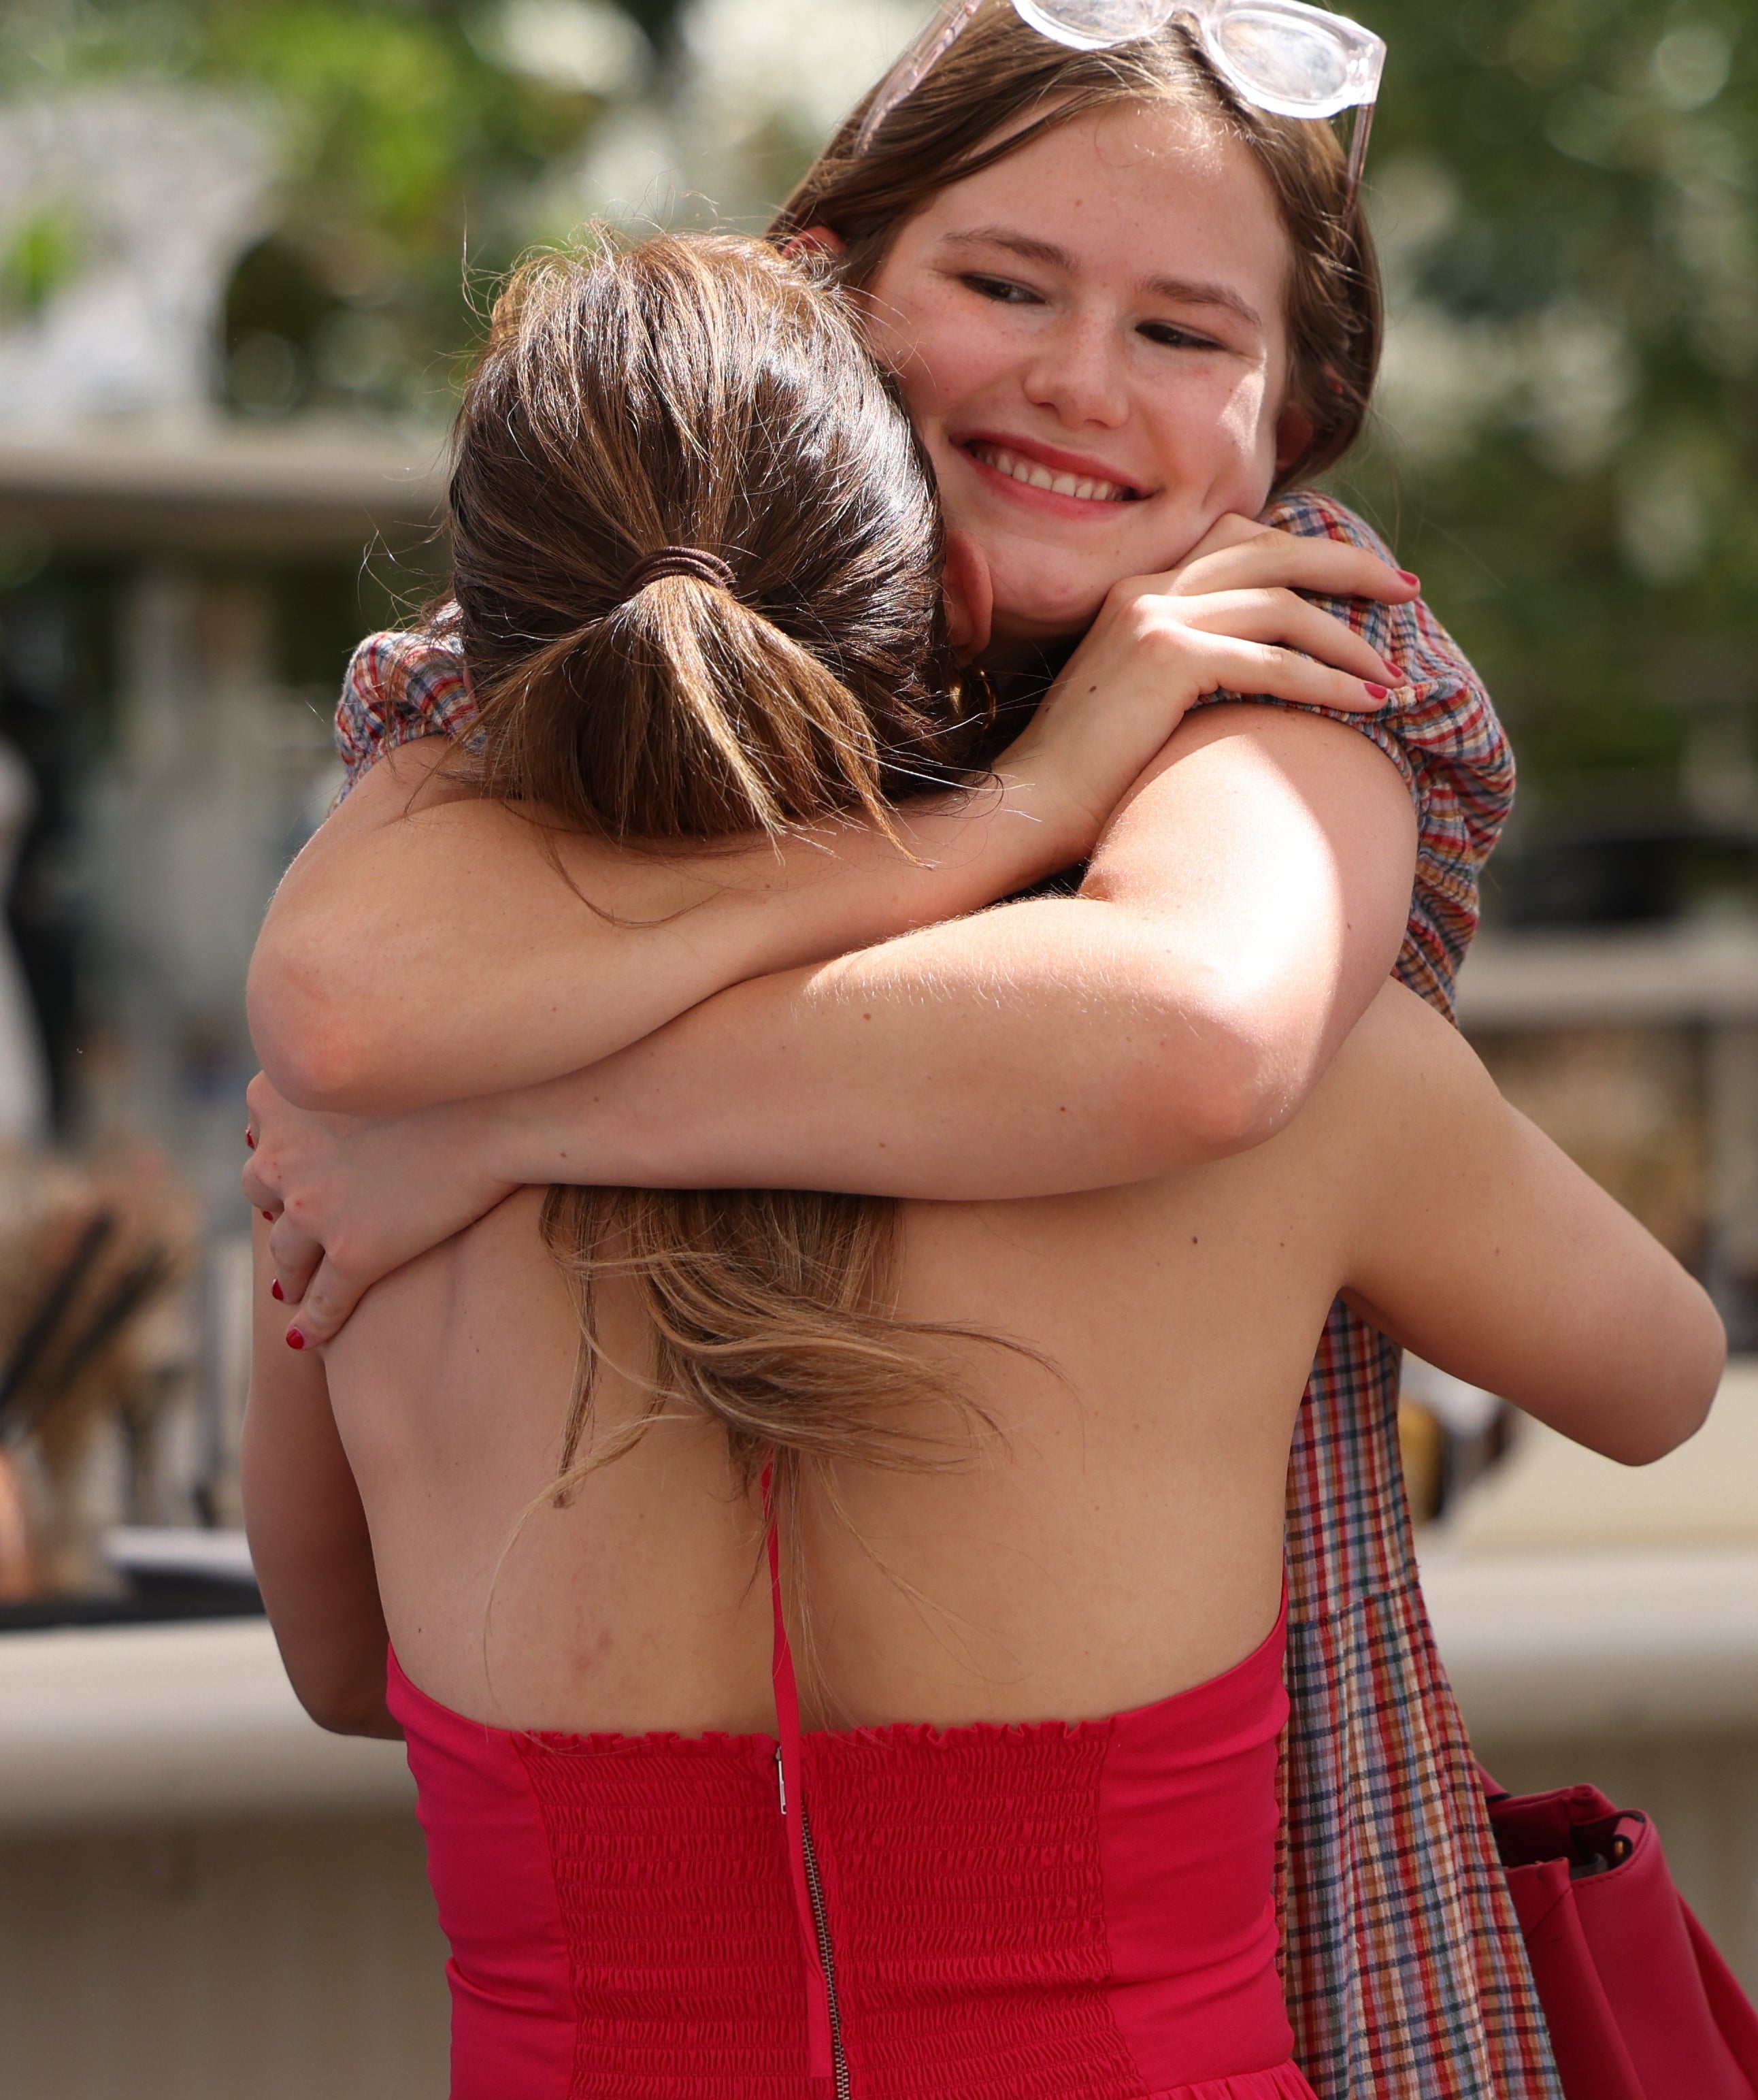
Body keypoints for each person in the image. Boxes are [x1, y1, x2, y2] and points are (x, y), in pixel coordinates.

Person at [242, 227, 1726, 2100]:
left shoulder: (356, 1135)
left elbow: (338, 1658)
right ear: (934, 584)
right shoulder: (1307, 1087)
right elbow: (1663, 1381)